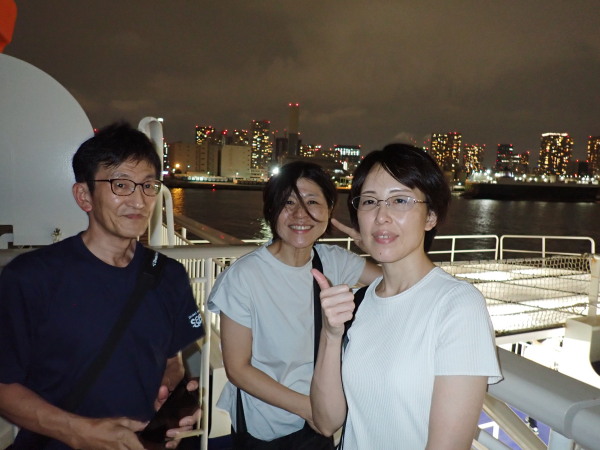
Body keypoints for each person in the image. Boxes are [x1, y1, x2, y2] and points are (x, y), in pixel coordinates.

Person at [0, 122, 205, 449]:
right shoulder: (31, 277)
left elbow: (172, 362)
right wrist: (79, 432)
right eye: (121, 185)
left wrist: (169, 399)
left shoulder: (169, 275)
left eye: (148, 185)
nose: (139, 201)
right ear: (85, 196)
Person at [310, 144, 502, 449]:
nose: (381, 216)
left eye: (400, 200)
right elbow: (325, 421)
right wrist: (330, 336)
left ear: (431, 216)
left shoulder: (457, 305)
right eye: (369, 201)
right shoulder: (360, 301)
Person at [207, 161, 381, 448]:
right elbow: (237, 368)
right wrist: (310, 408)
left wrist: (374, 245)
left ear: (328, 210)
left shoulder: (334, 260)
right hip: (267, 422)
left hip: (320, 417)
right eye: (288, 202)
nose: (301, 213)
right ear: (271, 210)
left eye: (312, 202)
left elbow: (401, 285)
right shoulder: (244, 276)